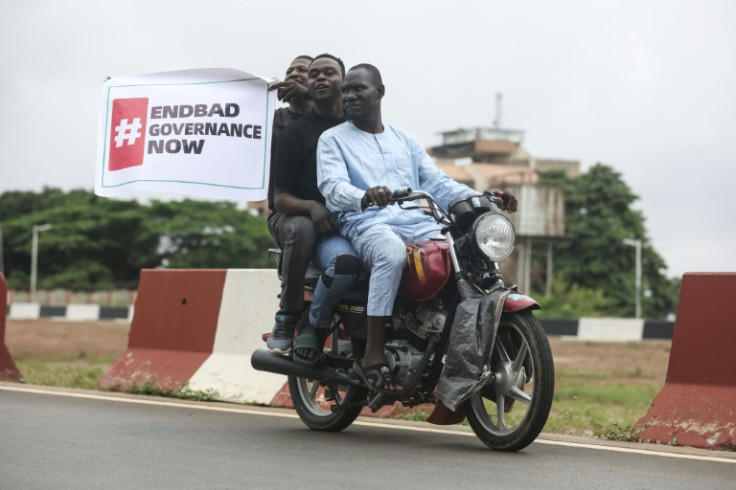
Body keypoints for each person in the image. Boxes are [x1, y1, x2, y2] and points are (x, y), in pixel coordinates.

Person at [317, 63, 517, 391]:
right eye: (346, 90)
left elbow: (437, 182)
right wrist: (364, 195)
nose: (350, 96)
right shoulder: (333, 139)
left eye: (359, 89)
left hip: (419, 221)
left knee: (463, 252)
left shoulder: (405, 140)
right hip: (366, 222)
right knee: (391, 254)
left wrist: (482, 198)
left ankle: (441, 341)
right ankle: (373, 352)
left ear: (380, 92)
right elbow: (332, 186)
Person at [266, 54, 361, 366]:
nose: (319, 79)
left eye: (327, 73)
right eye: (313, 74)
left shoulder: (357, 126)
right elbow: (280, 197)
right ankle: (289, 315)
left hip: (346, 218)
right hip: (294, 215)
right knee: (304, 227)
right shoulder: (289, 126)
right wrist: (312, 207)